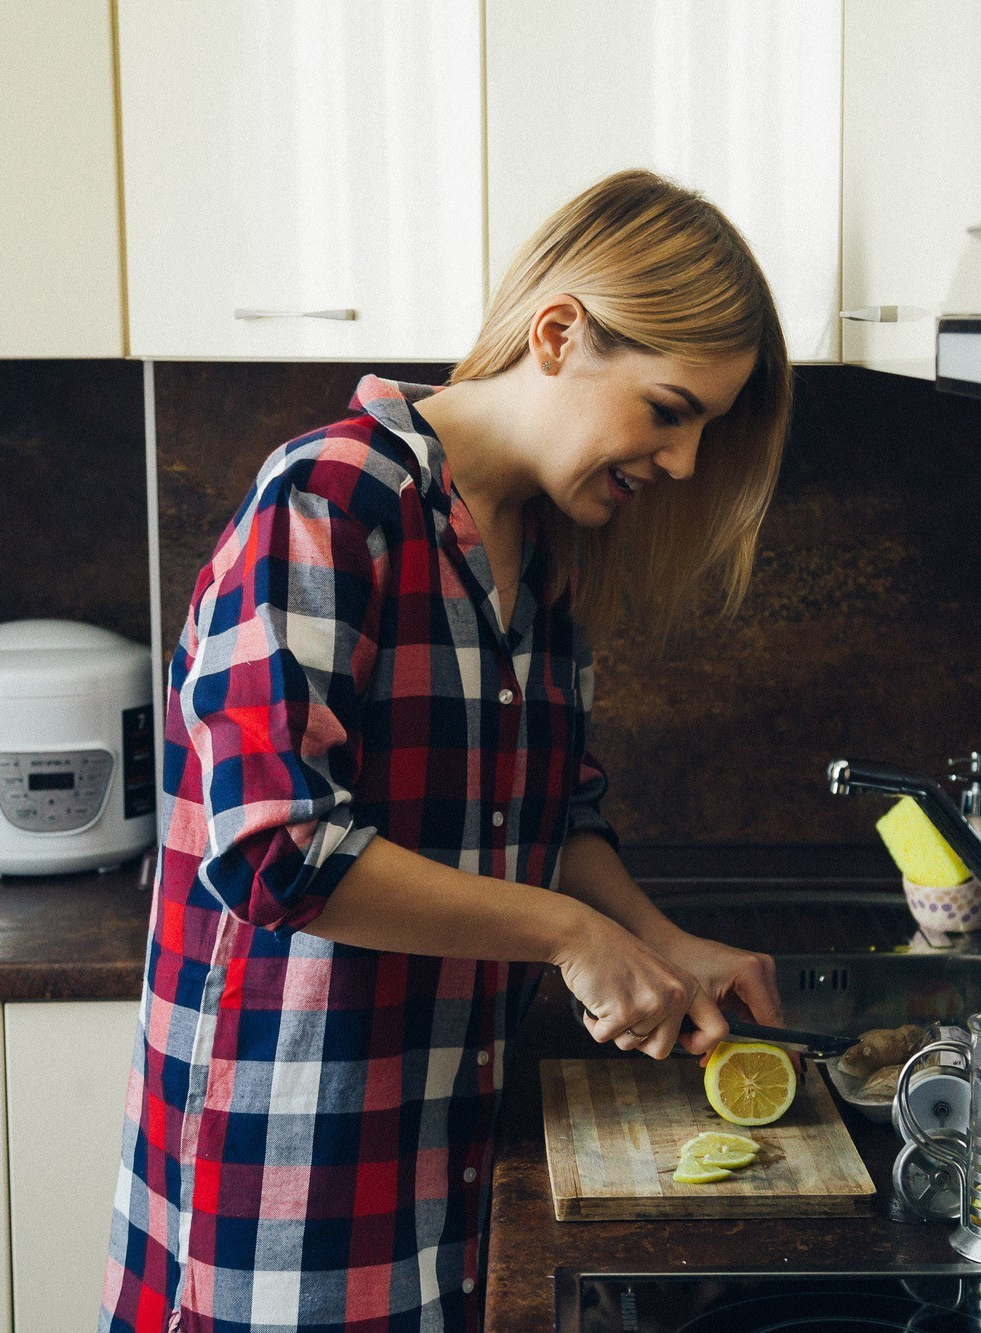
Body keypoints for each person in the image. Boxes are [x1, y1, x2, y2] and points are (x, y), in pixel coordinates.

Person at [103, 169, 794, 1333]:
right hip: (290, 1168)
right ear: (558, 333)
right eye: (669, 409)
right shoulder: (328, 502)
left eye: (704, 429)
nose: (682, 462)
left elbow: (549, 815)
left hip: (442, 1152)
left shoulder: (547, 551)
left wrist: (658, 944)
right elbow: (275, 852)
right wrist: (572, 937)